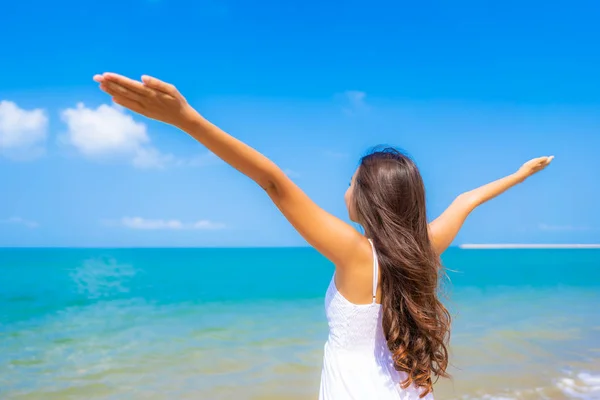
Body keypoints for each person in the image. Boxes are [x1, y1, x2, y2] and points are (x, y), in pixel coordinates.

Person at [93, 73, 553, 399]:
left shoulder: (355, 254)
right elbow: (467, 201)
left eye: (353, 183)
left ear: (368, 199)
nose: (346, 190)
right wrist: (519, 174)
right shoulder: (423, 250)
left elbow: (273, 181)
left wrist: (187, 120)